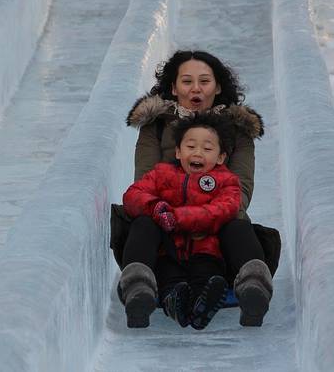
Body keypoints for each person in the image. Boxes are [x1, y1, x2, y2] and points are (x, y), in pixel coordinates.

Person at [115, 50, 278, 329]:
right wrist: (165, 212)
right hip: (164, 225)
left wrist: (195, 216)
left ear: (218, 87)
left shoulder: (236, 129)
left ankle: (252, 286)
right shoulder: (157, 127)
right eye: (187, 81)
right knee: (142, 223)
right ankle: (139, 288)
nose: (196, 89)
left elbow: (239, 193)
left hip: (216, 225)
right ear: (173, 87)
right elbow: (142, 185)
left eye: (204, 81)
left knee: (237, 226)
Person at [123, 113, 240, 330]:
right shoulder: (161, 174)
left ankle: (201, 306)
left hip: (206, 249)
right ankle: (172, 301)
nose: (197, 153)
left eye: (207, 149)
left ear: (221, 157)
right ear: (178, 152)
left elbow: (225, 208)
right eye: (190, 146)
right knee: (169, 277)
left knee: (207, 277)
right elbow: (133, 195)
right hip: (168, 249)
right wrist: (156, 207)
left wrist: (178, 217)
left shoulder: (226, 181)